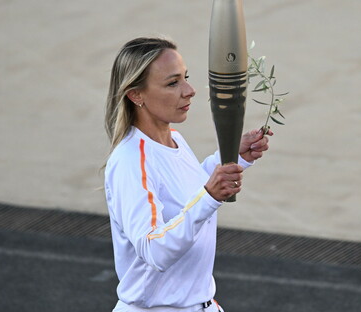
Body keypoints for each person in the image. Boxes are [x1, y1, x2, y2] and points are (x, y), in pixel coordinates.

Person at [104, 37, 272, 312]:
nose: (190, 90)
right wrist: (209, 197)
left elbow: (183, 191)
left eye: (186, 78)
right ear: (136, 95)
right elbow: (153, 249)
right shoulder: (130, 161)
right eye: (173, 83)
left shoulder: (174, 140)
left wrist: (232, 156)